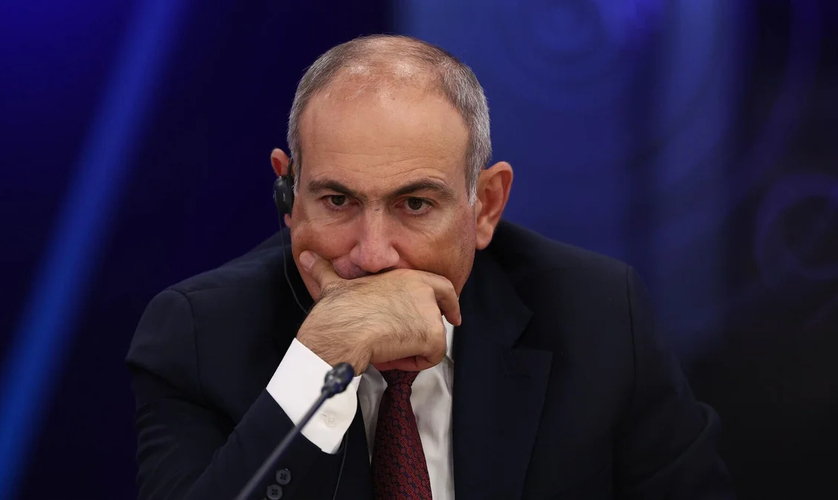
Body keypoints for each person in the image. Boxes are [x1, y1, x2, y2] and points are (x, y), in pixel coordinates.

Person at [125, 34, 734, 499]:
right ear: (289, 195)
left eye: (414, 204)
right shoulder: (197, 334)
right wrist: (320, 361)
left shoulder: (596, 316)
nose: (373, 254)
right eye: (337, 201)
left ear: (485, 206)